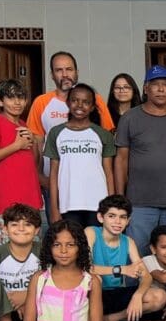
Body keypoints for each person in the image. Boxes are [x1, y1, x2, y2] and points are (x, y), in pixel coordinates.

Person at [114, 65, 166, 257]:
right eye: (155, 84)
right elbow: (121, 160)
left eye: (165, 84)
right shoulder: (130, 118)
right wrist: (119, 198)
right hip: (140, 202)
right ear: (145, 89)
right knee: (138, 255)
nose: (160, 89)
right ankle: (138, 289)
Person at [27, 52, 114, 222]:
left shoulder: (96, 99)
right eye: (59, 70)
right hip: (56, 182)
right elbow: (36, 144)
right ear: (52, 74)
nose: (65, 74)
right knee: (61, 234)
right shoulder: (41, 102)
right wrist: (39, 177)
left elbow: (105, 143)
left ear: (77, 72)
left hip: (93, 188)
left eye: (69, 69)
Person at [85, 195, 161, 321]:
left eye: (122, 217)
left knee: (159, 296)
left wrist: (138, 295)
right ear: (101, 217)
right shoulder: (91, 232)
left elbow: (146, 276)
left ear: (128, 221)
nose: (117, 222)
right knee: (95, 279)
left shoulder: (128, 241)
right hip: (91, 295)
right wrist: (121, 270)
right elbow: (85, 267)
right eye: (112, 216)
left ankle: (111, 320)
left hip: (115, 293)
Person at [0, 79, 42, 245]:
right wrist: (16, 145)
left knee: (33, 254)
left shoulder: (23, 125)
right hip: (6, 203)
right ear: (0, 101)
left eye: (21, 97)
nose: (17, 102)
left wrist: (33, 141)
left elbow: (32, 163)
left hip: (30, 200)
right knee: (9, 253)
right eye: (11, 97)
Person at [45, 83, 116, 227]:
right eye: (75, 100)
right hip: (68, 203)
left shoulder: (102, 134)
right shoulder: (56, 133)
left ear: (92, 107)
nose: (79, 105)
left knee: (94, 246)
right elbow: (54, 173)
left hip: (98, 204)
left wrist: (111, 207)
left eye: (86, 102)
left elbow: (108, 173)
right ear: (68, 102)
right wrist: (54, 208)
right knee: (72, 246)